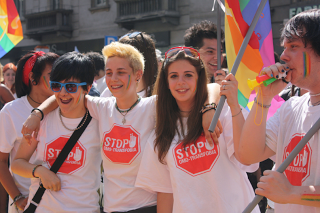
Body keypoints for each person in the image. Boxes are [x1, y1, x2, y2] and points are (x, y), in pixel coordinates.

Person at [21, 42, 221, 213]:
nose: (113, 78)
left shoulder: (153, 106)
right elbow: (65, 93)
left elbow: (212, 87)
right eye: (109, 73)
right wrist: (37, 114)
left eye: (121, 72)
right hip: (111, 207)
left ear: (137, 75)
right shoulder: (101, 107)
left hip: (147, 206)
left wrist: (209, 108)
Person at [135, 47, 259, 213]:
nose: (181, 82)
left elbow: (248, 162)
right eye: (173, 76)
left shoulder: (223, 111)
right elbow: (165, 193)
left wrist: (216, 107)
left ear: (199, 78)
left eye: (188, 75)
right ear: (166, 83)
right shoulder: (160, 136)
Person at [238, 9, 320, 212]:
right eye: (284, 47)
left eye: (294, 46)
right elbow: (248, 155)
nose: (283, 55)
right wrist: (263, 98)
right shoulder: (291, 107)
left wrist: (292, 193)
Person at [11, 52, 101, 212]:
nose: (63, 93)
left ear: (87, 88)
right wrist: (39, 171)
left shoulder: (100, 121)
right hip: (42, 208)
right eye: (56, 86)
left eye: (71, 87)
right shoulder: (41, 121)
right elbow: (17, 164)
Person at [0, 51, 59, 213]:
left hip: (63, 199)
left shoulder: (66, 106)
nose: (60, 78)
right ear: (33, 78)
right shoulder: (11, 111)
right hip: (28, 202)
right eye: (52, 74)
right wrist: (18, 198)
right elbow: (1, 161)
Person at [101, 31, 158, 98]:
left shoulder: (159, 98)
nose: (114, 79)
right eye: (109, 73)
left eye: (121, 72)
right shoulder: (108, 95)